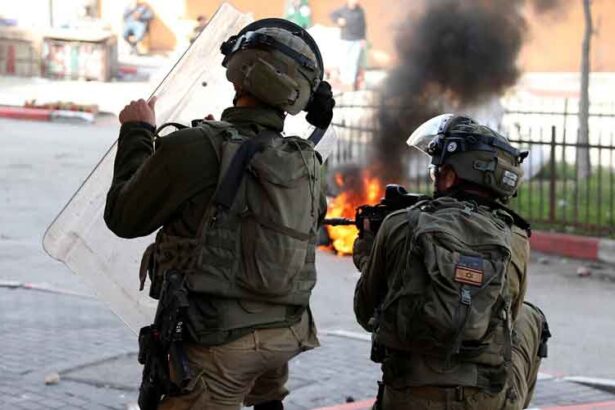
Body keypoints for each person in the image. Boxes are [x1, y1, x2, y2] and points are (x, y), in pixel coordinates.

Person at [104, 18, 335, 410]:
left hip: (221, 341)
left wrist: (137, 133)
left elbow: (124, 218)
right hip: (285, 332)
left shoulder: (195, 147)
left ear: (240, 73)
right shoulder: (306, 160)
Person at [352, 115, 551, 409]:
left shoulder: (400, 224)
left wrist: (368, 252)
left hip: (408, 397)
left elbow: (366, 312)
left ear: (449, 177)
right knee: (528, 317)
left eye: (438, 170)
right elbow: (509, 313)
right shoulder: (517, 238)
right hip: (483, 399)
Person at [330, 0, 366, 90]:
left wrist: (363, 38)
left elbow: (363, 25)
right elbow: (332, 15)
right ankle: (344, 82)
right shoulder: (342, 9)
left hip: (357, 40)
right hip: (345, 39)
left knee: (353, 62)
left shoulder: (360, 11)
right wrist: (338, 20)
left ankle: (350, 83)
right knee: (344, 61)